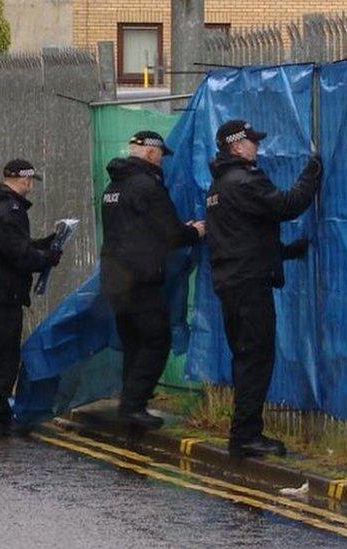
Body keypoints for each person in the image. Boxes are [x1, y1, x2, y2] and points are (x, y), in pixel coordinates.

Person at [205, 120, 321, 458]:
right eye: (252, 141)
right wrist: (312, 171)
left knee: (246, 358)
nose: (257, 147)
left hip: (232, 283)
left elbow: (238, 239)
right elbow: (286, 206)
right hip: (249, 286)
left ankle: (244, 433)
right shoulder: (244, 180)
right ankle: (245, 436)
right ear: (237, 146)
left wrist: (283, 252)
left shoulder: (218, 186)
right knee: (255, 359)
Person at [100, 131, 205, 430]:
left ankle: (131, 403)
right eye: (161, 155)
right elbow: (169, 232)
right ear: (149, 153)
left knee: (134, 342)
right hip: (141, 278)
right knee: (157, 340)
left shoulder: (114, 185)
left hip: (116, 278)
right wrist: (194, 232)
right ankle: (133, 405)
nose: (162, 161)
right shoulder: (147, 185)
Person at [0, 159, 61, 436]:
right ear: (25, 180)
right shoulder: (11, 209)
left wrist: (43, 244)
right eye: (31, 181)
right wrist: (47, 258)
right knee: (3, 358)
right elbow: (18, 255)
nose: (31, 186)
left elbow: (9, 245)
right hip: (1, 294)